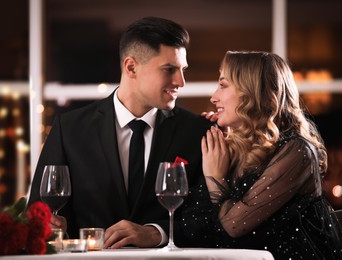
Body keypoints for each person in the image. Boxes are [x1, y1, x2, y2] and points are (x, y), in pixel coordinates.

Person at [27, 16, 211, 249]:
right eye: (169, 69)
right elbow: (37, 212)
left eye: (183, 70)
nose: (181, 81)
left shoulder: (197, 131)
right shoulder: (70, 128)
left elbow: (208, 218)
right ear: (131, 67)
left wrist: (157, 233)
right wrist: (50, 226)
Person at [181, 51, 342, 259]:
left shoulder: (297, 152)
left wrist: (215, 179)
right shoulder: (230, 149)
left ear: (254, 93)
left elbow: (232, 226)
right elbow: (194, 225)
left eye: (223, 85)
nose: (213, 97)